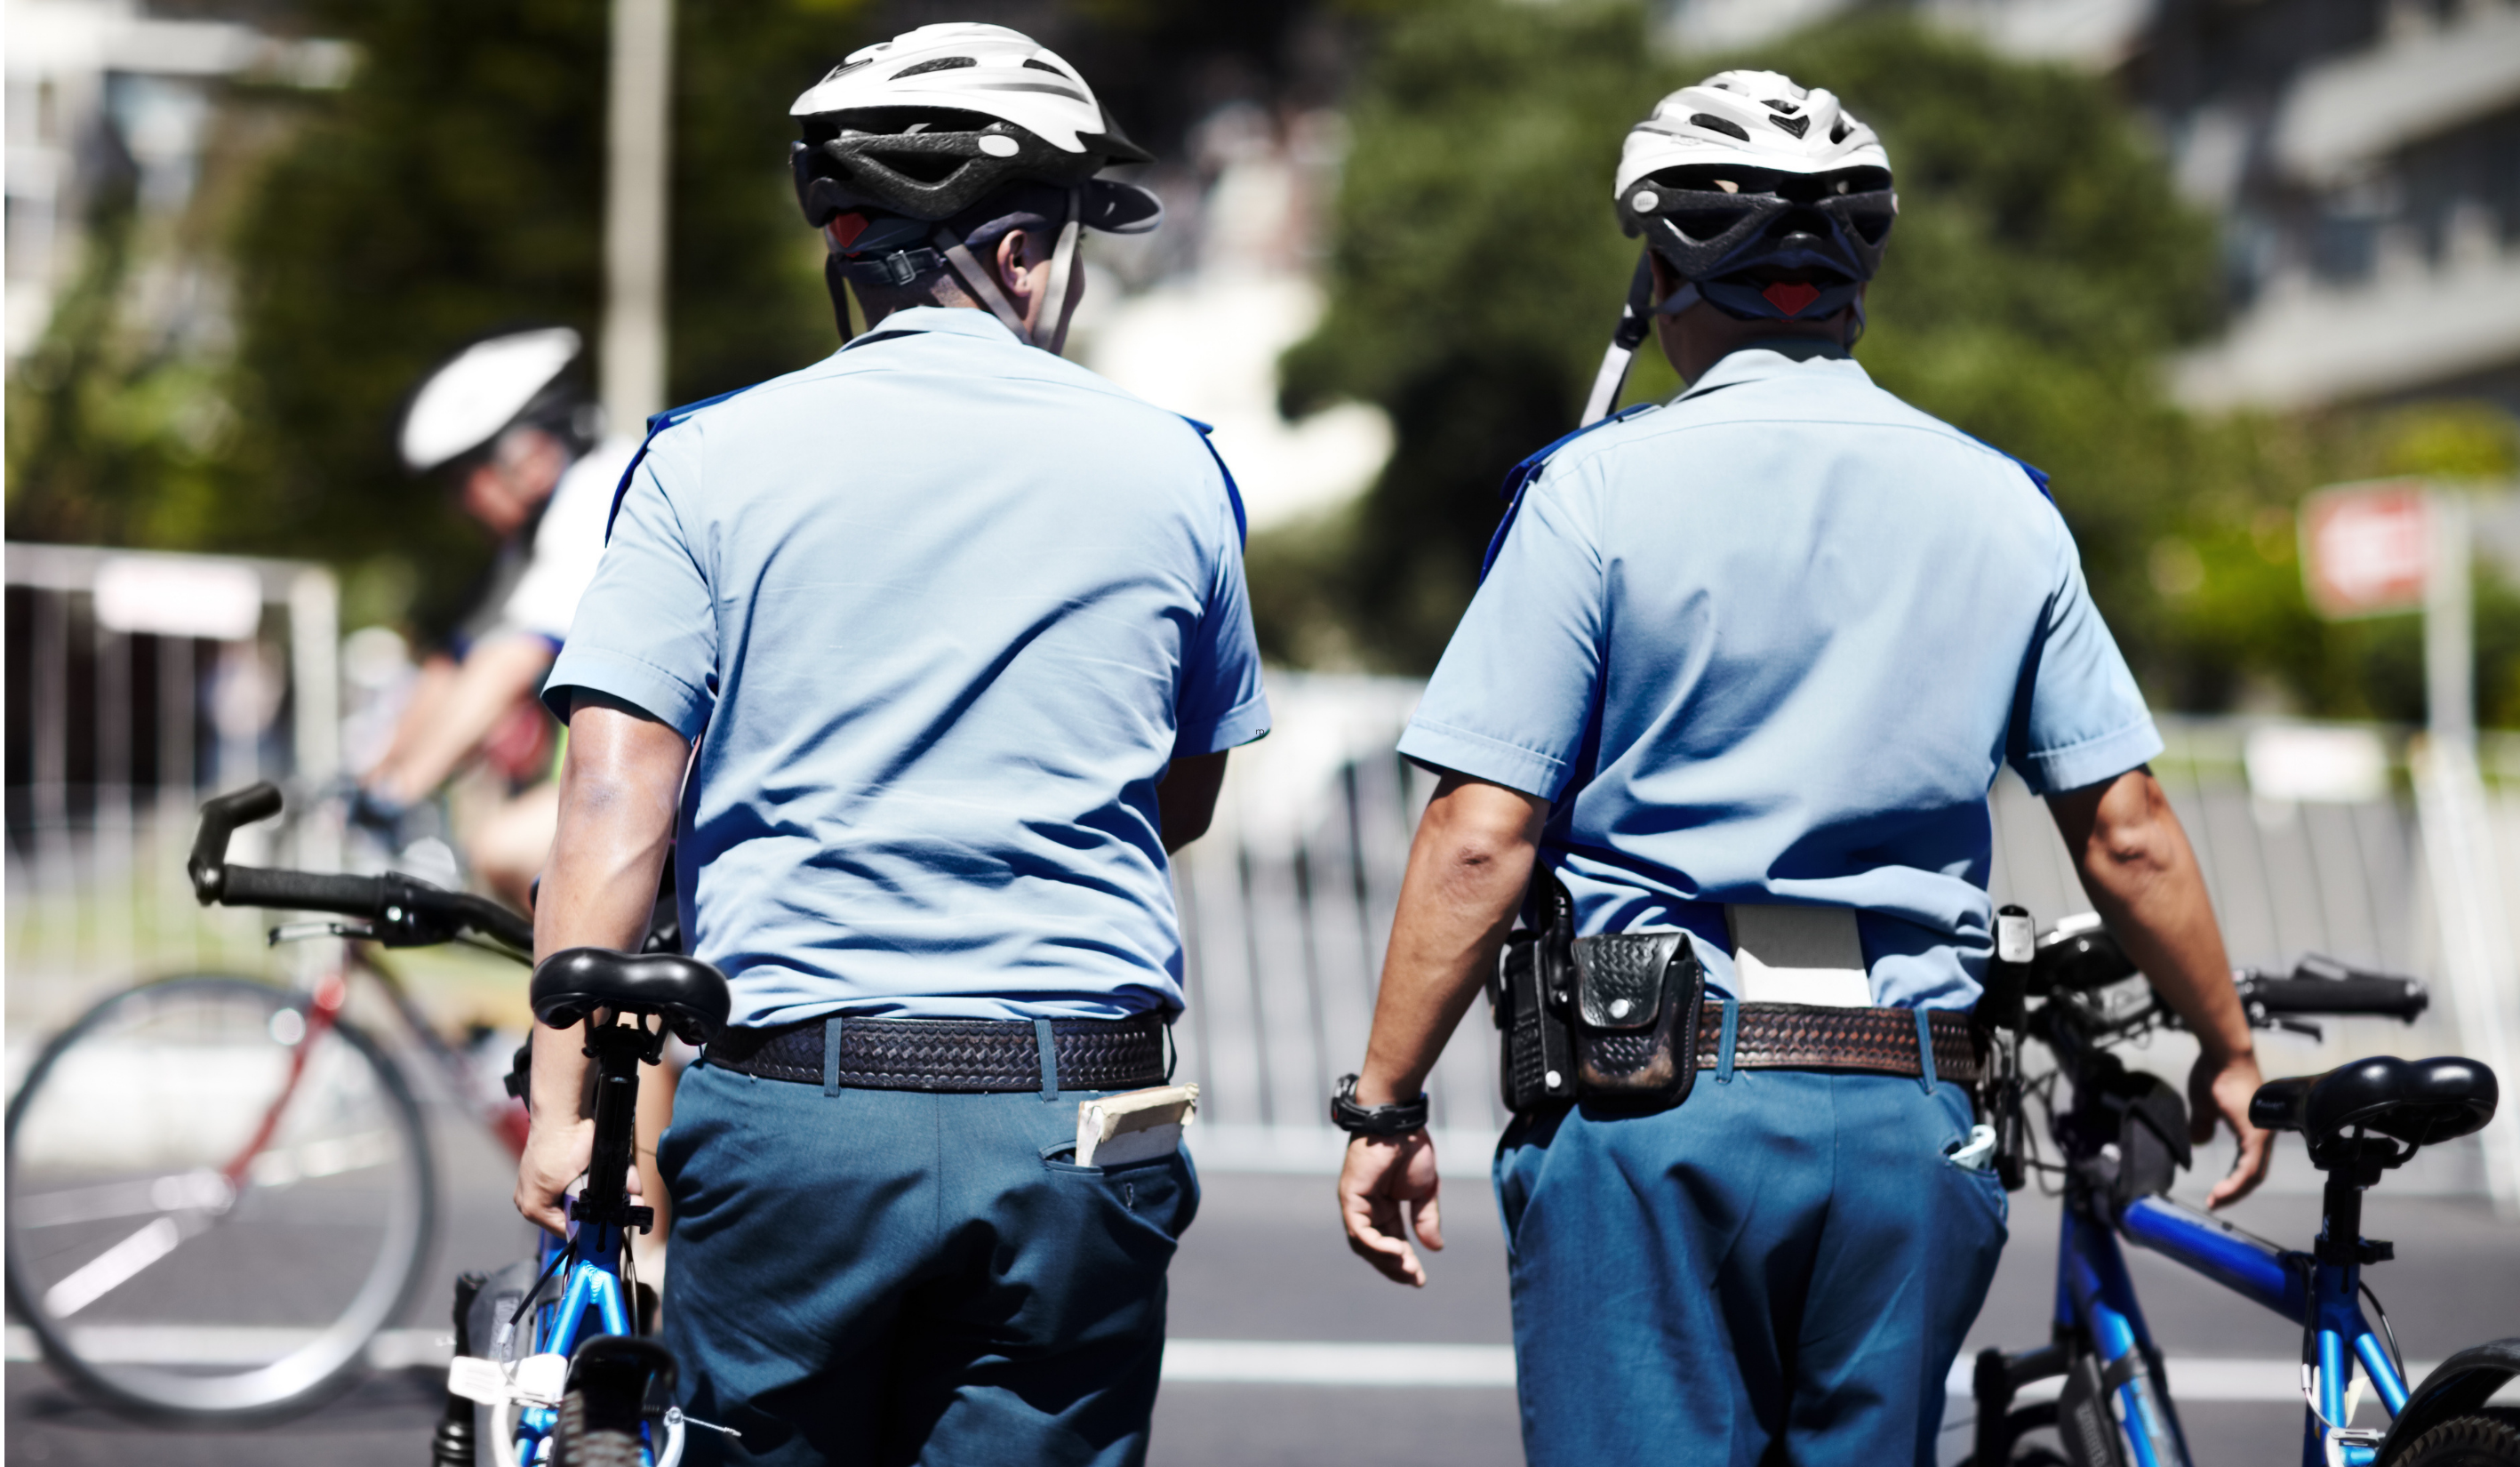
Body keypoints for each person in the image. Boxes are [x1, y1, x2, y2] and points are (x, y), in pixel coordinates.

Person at [1330, 70, 2271, 1466]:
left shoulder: (1591, 491)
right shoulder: (1998, 499)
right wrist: (2228, 1048)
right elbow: (2123, 825)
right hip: (1909, 1112)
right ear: (1851, 277)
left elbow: (1481, 834)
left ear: (1656, 275)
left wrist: (1384, 1105)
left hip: (1654, 1106)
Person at [516, 22, 1268, 1466]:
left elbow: (610, 805)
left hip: (802, 1105)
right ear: (1030, 256)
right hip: (1077, 1113)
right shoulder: (1177, 468)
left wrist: (562, 1112)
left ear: (847, 253)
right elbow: (1181, 791)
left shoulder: (703, 465)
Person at [364, 326, 633, 914]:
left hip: (718, 762)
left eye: (465, 480)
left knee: (506, 849)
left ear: (530, 455)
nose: (460, 506)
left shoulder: (599, 497)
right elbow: (456, 664)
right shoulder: (532, 541)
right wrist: (371, 776)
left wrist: (397, 791)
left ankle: (614, 1006)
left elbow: (509, 664)